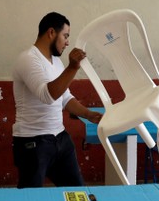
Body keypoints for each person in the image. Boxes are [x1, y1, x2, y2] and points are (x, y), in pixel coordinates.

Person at [12, 12, 103, 188]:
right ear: (51, 33)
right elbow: (47, 95)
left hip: (60, 139)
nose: (67, 42)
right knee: (31, 200)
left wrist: (88, 114)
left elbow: (64, 98)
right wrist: (73, 67)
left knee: (77, 193)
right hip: (33, 142)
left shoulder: (56, 62)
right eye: (65, 36)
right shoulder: (28, 59)